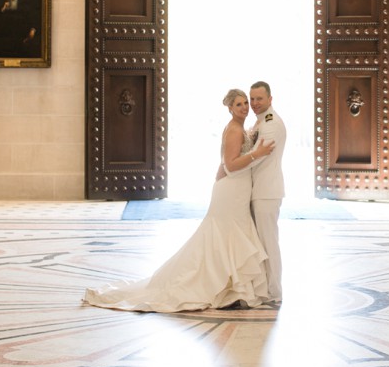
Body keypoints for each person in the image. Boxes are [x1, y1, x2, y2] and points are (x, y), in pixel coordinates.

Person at [83, 88, 276, 312]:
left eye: (246, 103)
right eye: (239, 104)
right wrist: (256, 154)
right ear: (230, 108)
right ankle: (218, 285)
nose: (244, 108)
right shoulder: (234, 130)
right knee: (223, 235)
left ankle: (231, 287)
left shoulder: (241, 128)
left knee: (230, 236)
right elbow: (230, 165)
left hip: (238, 191)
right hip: (230, 191)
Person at [218, 80, 287, 304]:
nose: (253, 104)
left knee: (268, 243)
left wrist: (229, 168)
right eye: (251, 99)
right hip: (254, 190)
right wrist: (229, 166)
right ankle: (263, 288)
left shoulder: (270, 123)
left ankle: (274, 292)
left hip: (266, 190)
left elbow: (258, 157)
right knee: (260, 244)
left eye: (258, 99)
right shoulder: (259, 122)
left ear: (270, 99)